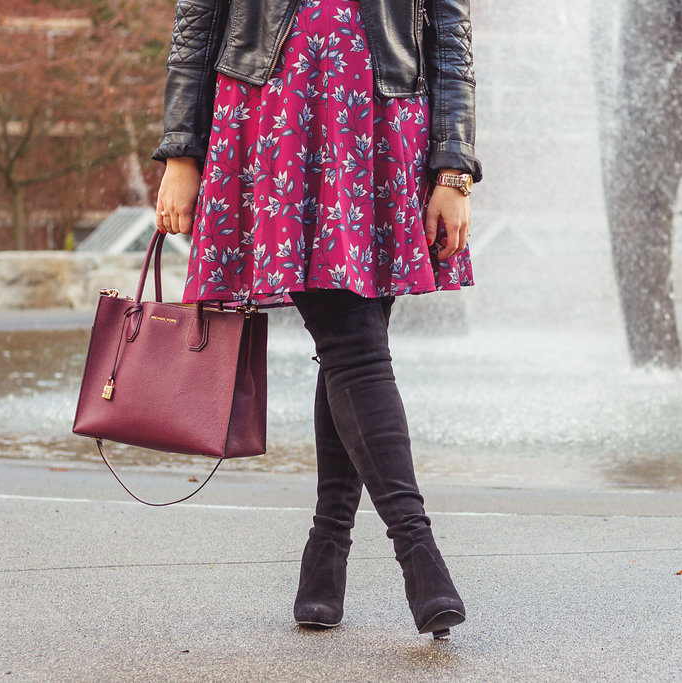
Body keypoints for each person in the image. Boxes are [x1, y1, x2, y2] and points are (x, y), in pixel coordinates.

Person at [148, 0, 482, 639]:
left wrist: (454, 167)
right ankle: (418, 552)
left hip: (387, 121)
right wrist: (181, 151)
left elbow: (450, 36)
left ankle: (326, 549)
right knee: (352, 342)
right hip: (275, 113)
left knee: (351, 349)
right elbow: (198, 21)